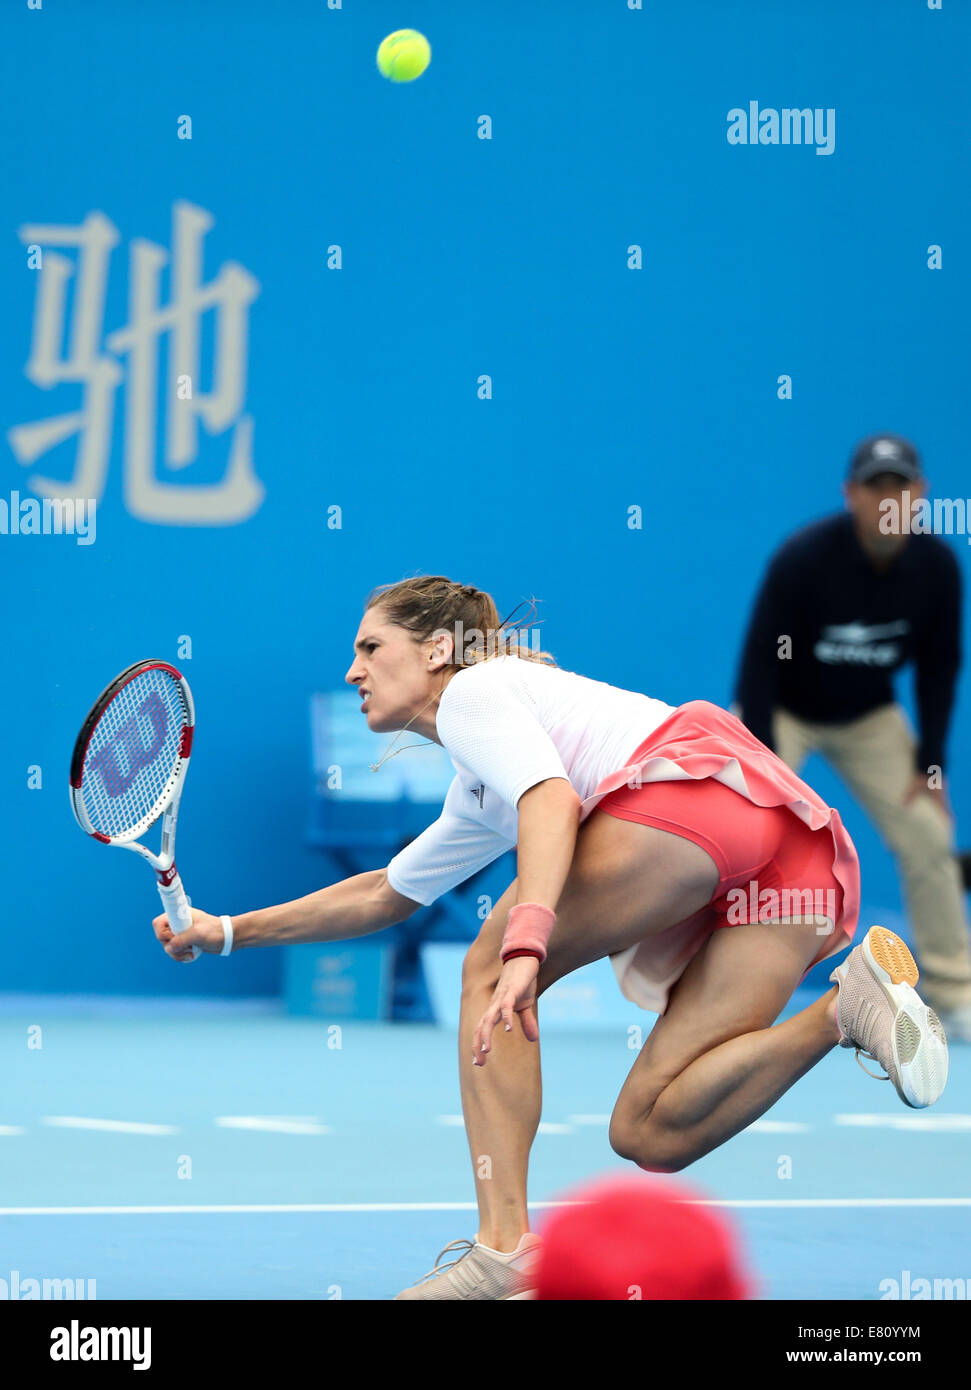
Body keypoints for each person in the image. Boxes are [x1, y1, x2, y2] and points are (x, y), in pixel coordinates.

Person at [154, 575, 948, 1301]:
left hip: (695, 802)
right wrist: (222, 932)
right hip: (781, 850)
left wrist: (526, 943)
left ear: (436, 650)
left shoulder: (476, 692)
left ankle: (503, 1249)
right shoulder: (477, 784)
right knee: (651, 1131)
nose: (354, 670)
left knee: (485, 963)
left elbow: (549, 799)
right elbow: (384, 892)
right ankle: (847, 1009)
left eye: (370, 648)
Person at [735, 433, 971, 1041]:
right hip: (782, 711)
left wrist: (930, 766)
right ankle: (700, 977)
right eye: (876, 488)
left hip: (869, 717)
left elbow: (941, 668)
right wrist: (763, 764)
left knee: (928, 832)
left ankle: (954, 992)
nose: (890, 501)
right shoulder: (803, 558)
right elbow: (758, 663)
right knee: (736, 822)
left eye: (902, 488)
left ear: (920, 495)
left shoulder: (938, 568)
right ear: (852, 496)